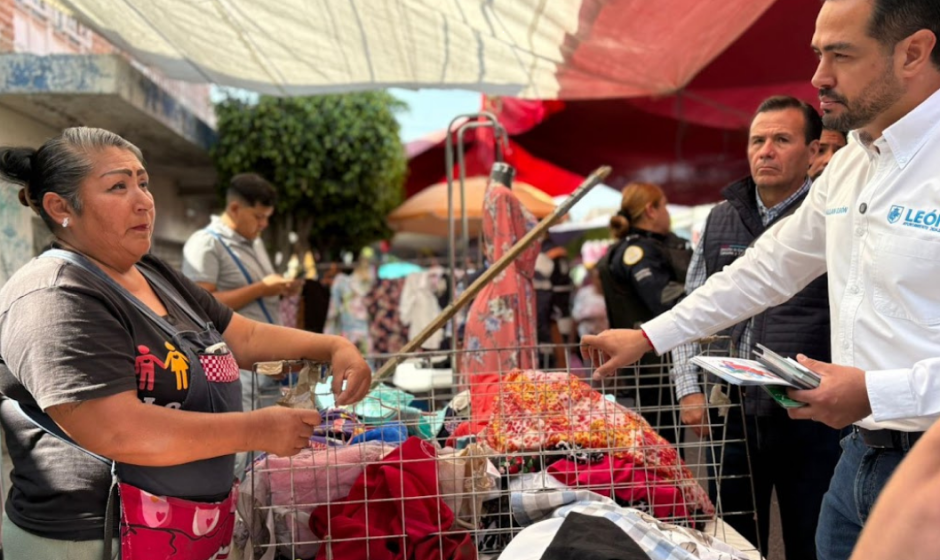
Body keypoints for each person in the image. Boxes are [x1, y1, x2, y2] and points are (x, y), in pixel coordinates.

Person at [581, 1, 940, 558]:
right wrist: (651, 335)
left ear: (913, 52)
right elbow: (766, 268)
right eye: (818, 53)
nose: (819, 76)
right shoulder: (850, 164)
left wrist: (875, 390)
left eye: (841, 54)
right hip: (857, 458)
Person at [0, 127, 371, 559]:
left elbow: (244, 336)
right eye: (118, 186)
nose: (143, 200)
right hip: (94, 541)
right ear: (60, 207)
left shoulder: (153, 272)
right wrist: (257, 430)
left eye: (142, 182)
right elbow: (115, 429)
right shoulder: (55, 295)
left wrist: (332, 346)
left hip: (184, 531)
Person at [670, 95, 839, 560]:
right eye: (757, 140)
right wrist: (689, 390)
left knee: (814, 536)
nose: (766, 150)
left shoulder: (831, 216)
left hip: (811, 412)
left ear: (812, 152)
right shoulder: (721, 218)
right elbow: (695, 304)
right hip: (734, 415)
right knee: (735, 542)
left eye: (782, 139)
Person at [182, 173, 301, 415]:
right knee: (243, 446)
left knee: (271, 447)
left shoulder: (254, 243)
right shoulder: (205, 243)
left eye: (267, 218)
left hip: (268, 366)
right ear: (235, 208)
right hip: (236, 369)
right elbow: (198, 305)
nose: (264, 224)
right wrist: (262, 288)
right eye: (259, 217)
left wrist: (280, 289)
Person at [596, 182, 691, 444]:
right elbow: (662, 299)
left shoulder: (640, 247)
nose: (668, 214)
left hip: (653, 360)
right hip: (654, 363)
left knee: (663, 442)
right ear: (651, 210)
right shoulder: (638, 251)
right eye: (665, 206)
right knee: (664, 443)